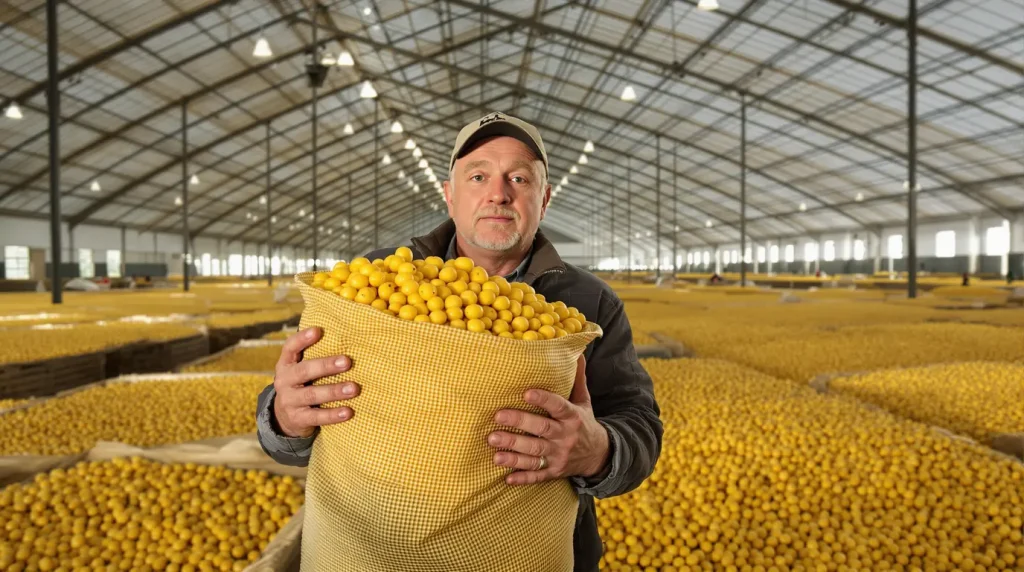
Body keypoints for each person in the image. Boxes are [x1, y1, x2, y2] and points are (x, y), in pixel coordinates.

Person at [255, 112, 663, 571]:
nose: (498, 193)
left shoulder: (589, 303)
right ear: (450, 196)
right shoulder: (371, 283)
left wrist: (599, 449)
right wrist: (283, 418)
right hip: (366, 548)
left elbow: (640, 425)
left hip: (523, 551)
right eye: (478, 175)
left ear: (543, 199)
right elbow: (290, 419)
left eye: (519, 178)